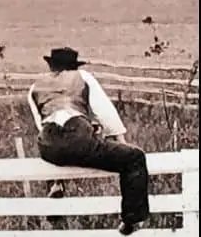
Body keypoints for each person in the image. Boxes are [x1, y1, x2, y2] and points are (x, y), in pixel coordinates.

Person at [27, 47, 149, 235]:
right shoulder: (82, 77)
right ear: (74, 65)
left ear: (52, 65)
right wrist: (120, 140)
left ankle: (56, 183)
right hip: (77, 135)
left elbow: (40, 124)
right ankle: (131, 220)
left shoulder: (36, 86)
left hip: (49, 141)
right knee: (134, 158)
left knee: (56, 147)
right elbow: (105, 112)